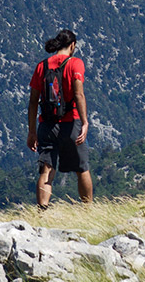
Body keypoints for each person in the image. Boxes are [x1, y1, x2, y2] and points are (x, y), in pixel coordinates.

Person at [27, 28, 93, 208]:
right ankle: (88, 210)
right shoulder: (75, 64)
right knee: (81, 168)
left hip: (47, 125)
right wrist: (85, 122)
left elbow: (33, 102)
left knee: (46, 170)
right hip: (71, 123)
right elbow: (79, 95)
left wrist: (32, 131)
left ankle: (42, 211)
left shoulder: (42, 66)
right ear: (72, 45)